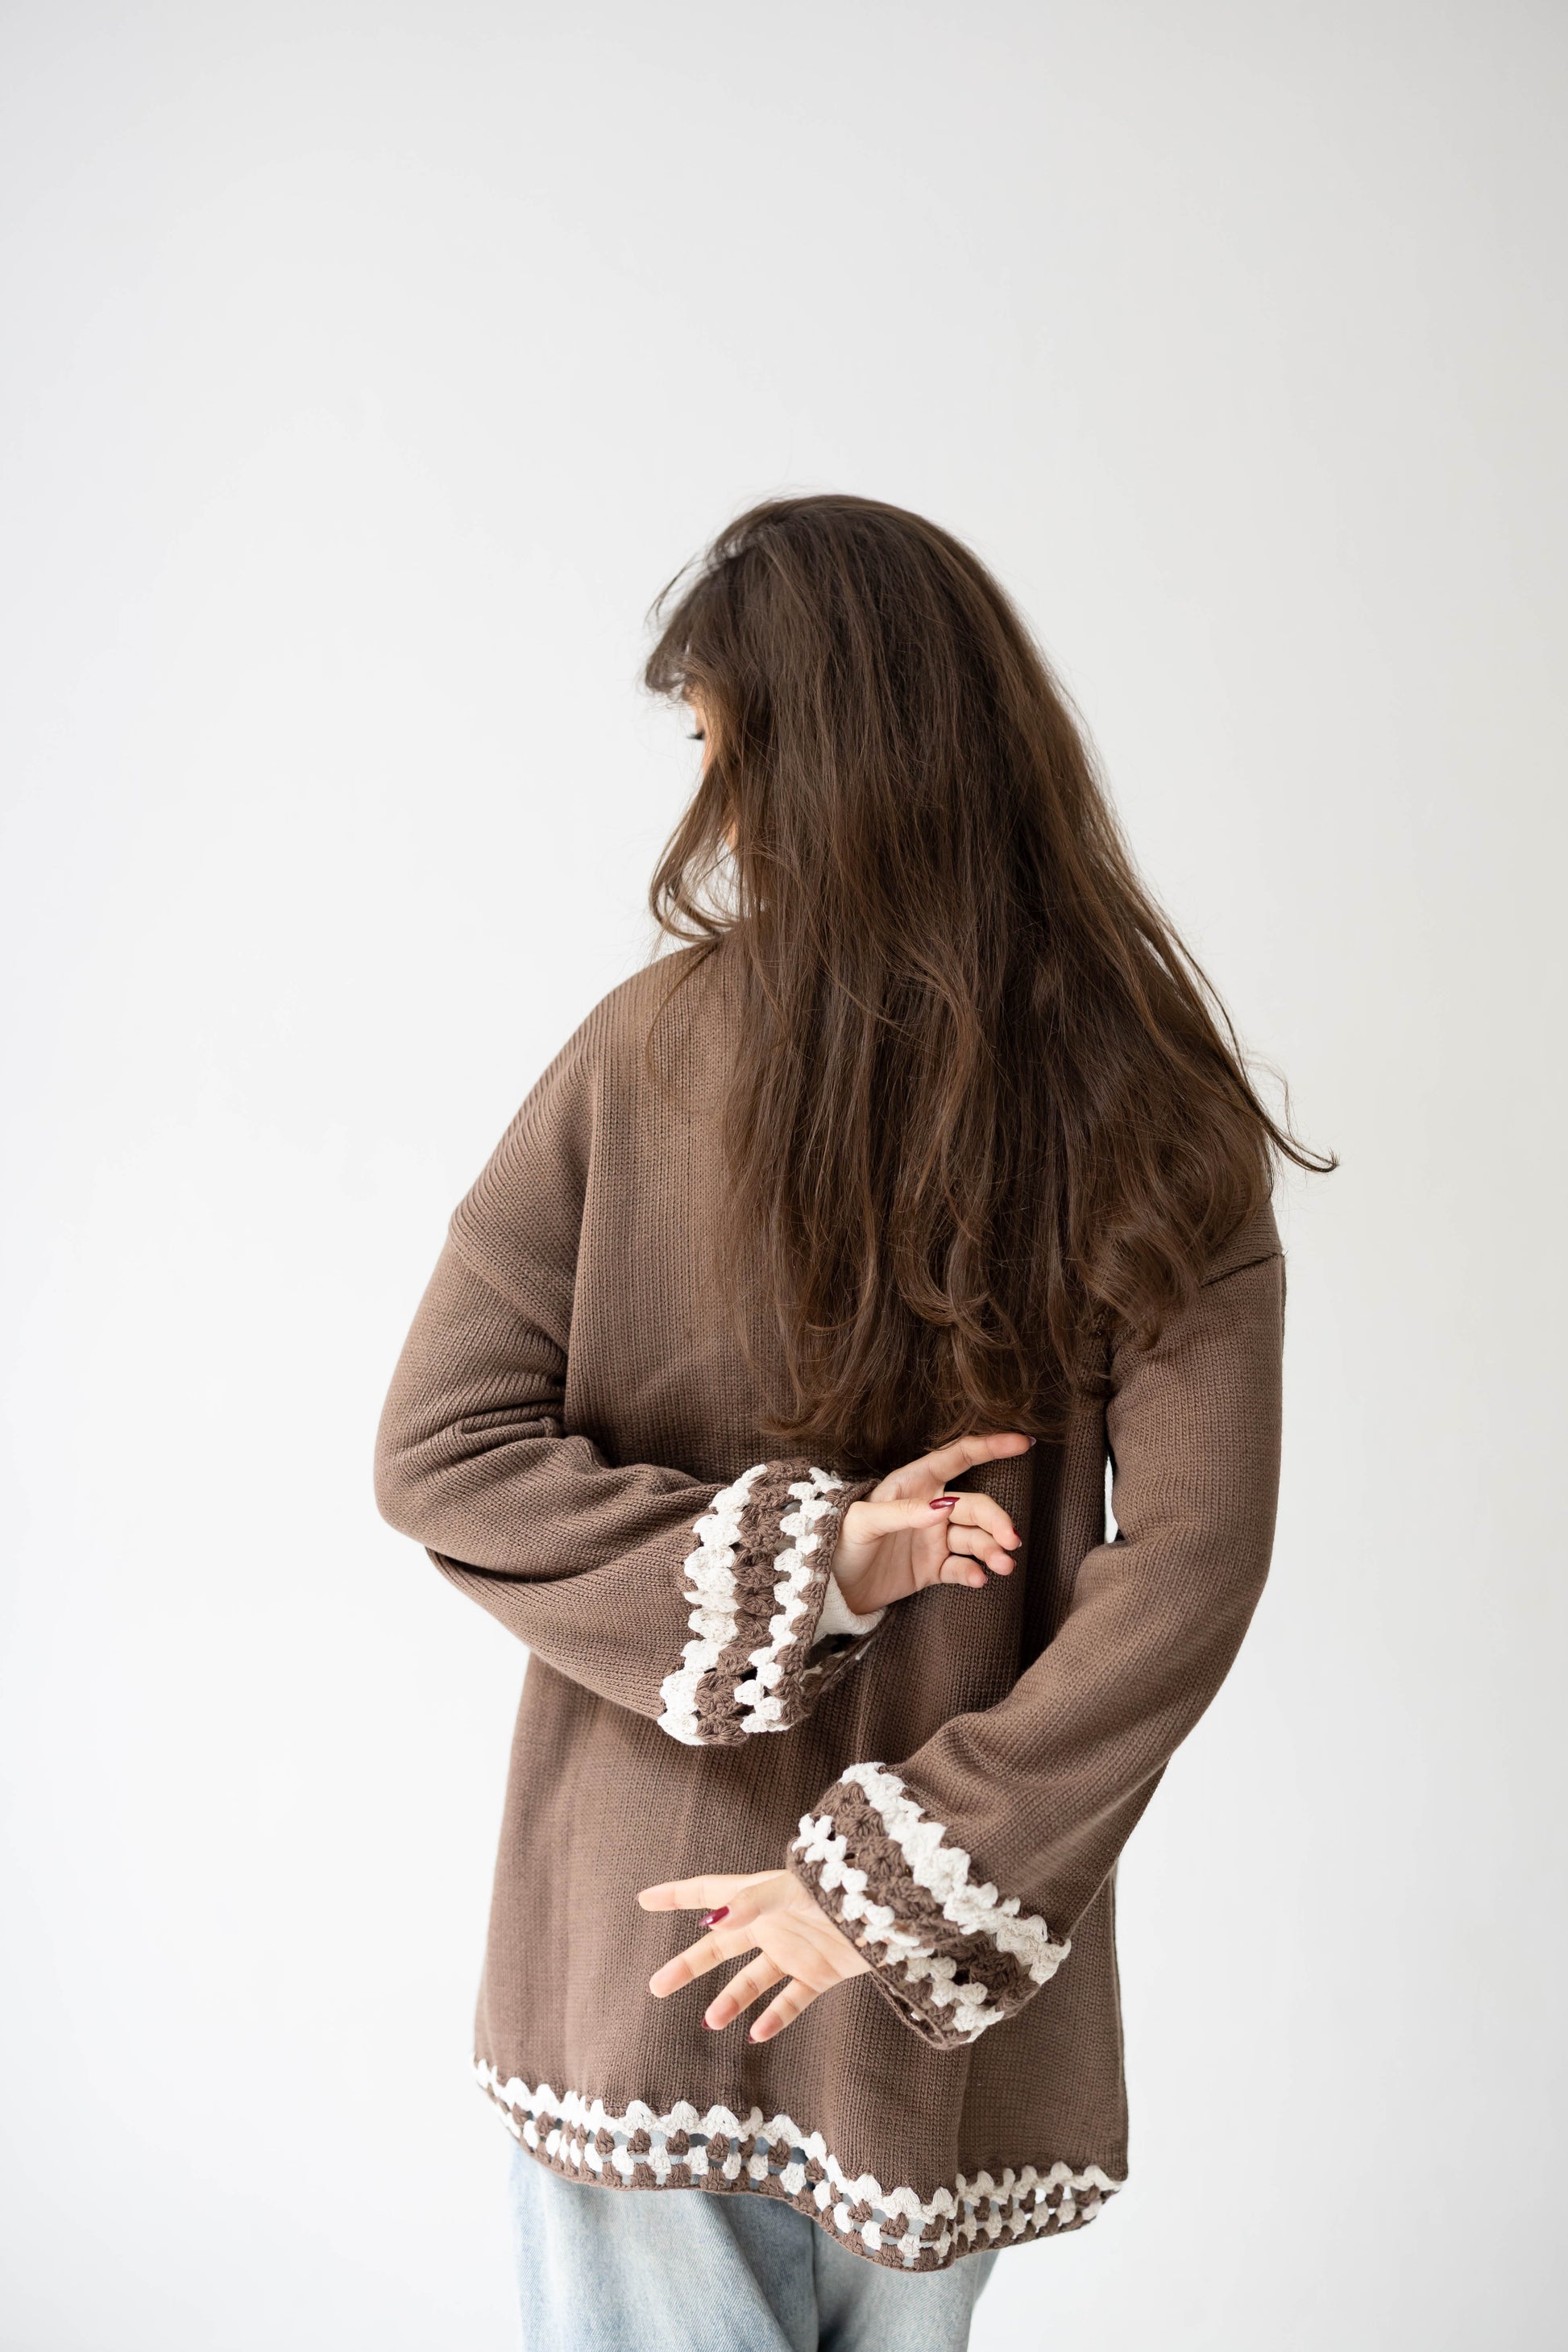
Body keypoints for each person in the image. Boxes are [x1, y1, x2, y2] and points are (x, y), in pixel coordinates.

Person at [374, 494, 1323, 2351]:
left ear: (802, 754)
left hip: (660, 1959)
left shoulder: (650, 1054)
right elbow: (1191, 1570)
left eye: (715, 743)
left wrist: (814, 1670)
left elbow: (437, 1447)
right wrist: (883, 1810)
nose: (708, 802)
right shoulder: (1150, 1100)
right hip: (926, 1992)